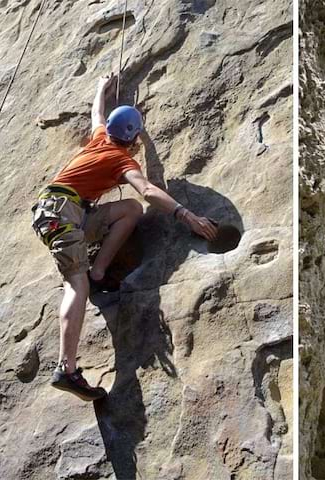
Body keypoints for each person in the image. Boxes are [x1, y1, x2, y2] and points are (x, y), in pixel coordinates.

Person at [31, 73, 218, 401]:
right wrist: (186, 215)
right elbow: (146, 189)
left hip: (62, 211)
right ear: (132, 141)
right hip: (62, 214)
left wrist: (100, 87)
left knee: (129, 209)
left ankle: (99, 271)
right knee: (76, 284)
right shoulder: (121, 159)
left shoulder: (100, 139)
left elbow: (97, 116)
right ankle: (67, 368)